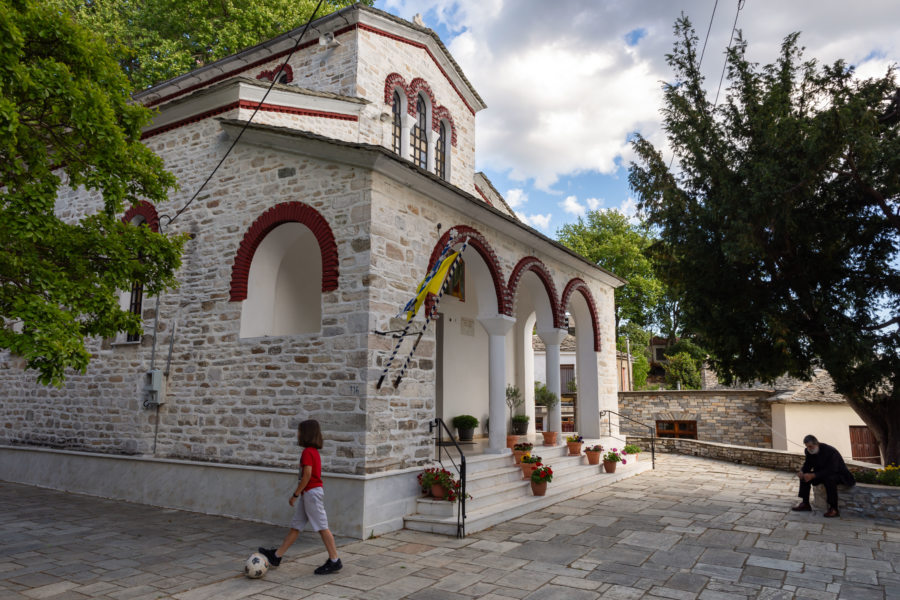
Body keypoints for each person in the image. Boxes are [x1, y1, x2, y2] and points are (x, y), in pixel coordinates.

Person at [259, 419, 342, 574]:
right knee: (296, 526)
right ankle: (276, 556)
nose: (297, 434)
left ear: (306, 434)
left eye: (299, 431)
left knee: (322, 527)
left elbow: (307, 475)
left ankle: (334, 560)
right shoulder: (313, 452)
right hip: (309, 494)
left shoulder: (307, 452)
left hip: (311, 494)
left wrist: (295, 494)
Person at [792, 434, 855, 518]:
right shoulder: (808, 451)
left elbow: (833, 469)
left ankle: (834, 509)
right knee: (804, 476)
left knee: (829, 479)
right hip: (821, 473)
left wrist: (814, 475)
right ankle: (805, 503)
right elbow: (808, 464)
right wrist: (802, 471)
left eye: (810, 446)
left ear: (816, 444)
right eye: (807, 447)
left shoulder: (830, 451)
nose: (809, 449)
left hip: (839, 474)